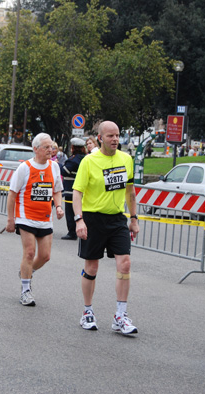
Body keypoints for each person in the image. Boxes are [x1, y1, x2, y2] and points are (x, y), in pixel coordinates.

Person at [73, 121, 139, 334]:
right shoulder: (89, 161)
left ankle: (120, 316)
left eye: (118, 135)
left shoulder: (126, 159)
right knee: (92, 267)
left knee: (125, 264)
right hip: (93, 218)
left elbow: (130, 191)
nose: (115, 139)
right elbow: (77, 192)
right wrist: (79, 219)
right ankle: (87, 311)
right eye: (110, 136)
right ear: (100, 138)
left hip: (117, 219)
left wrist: (134, 218)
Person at [6, 133, 64, 306]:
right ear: (36, 149)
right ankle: (25, 291)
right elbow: (12, 194)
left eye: (52, 147)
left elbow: (57, 190)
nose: (50, 150)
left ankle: (26, 271)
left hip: (45, 218)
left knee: (45, 256)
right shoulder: (25, 168)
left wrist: (59, 206)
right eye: (46, 147)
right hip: (26, 217)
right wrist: (11, 219)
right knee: (30, 252)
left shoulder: (54, 167)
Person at [60, 137, 87, 240]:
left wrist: (57, 164)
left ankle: (72, 232)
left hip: (71, 190)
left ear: (73, 148)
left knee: (70, 212)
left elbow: (64, 171)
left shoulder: (73, 160)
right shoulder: (85, 158)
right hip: (81, 191)